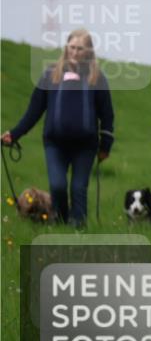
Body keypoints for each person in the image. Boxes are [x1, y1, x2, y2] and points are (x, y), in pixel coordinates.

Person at [2, 29, 114, 226]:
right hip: (55, 144)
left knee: (79, 188)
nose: (75, 52)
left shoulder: (97, 78)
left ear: (88, 51)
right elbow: (34, 111)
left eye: (80, 49)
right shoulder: (50, 75)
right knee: (58, 186)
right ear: (66, 48)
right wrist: (14, 134)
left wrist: (105, 146)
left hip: (85, 146)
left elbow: (107, 115)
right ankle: (60, 222)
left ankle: (78, 228)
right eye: (72, 47)